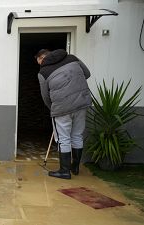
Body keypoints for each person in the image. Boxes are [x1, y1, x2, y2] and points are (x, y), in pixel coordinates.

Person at [35, 49, 91, 179]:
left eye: (38, 61)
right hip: (81, 102)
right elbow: (87, 74)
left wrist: (52, 108)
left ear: (42, 58)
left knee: (63, 138)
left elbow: (45, 96)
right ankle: (75, 167)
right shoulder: (72, 58)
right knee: (77, 135)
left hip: (62, 108)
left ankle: (64, 171)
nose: (39, 64)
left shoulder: (43, 72)